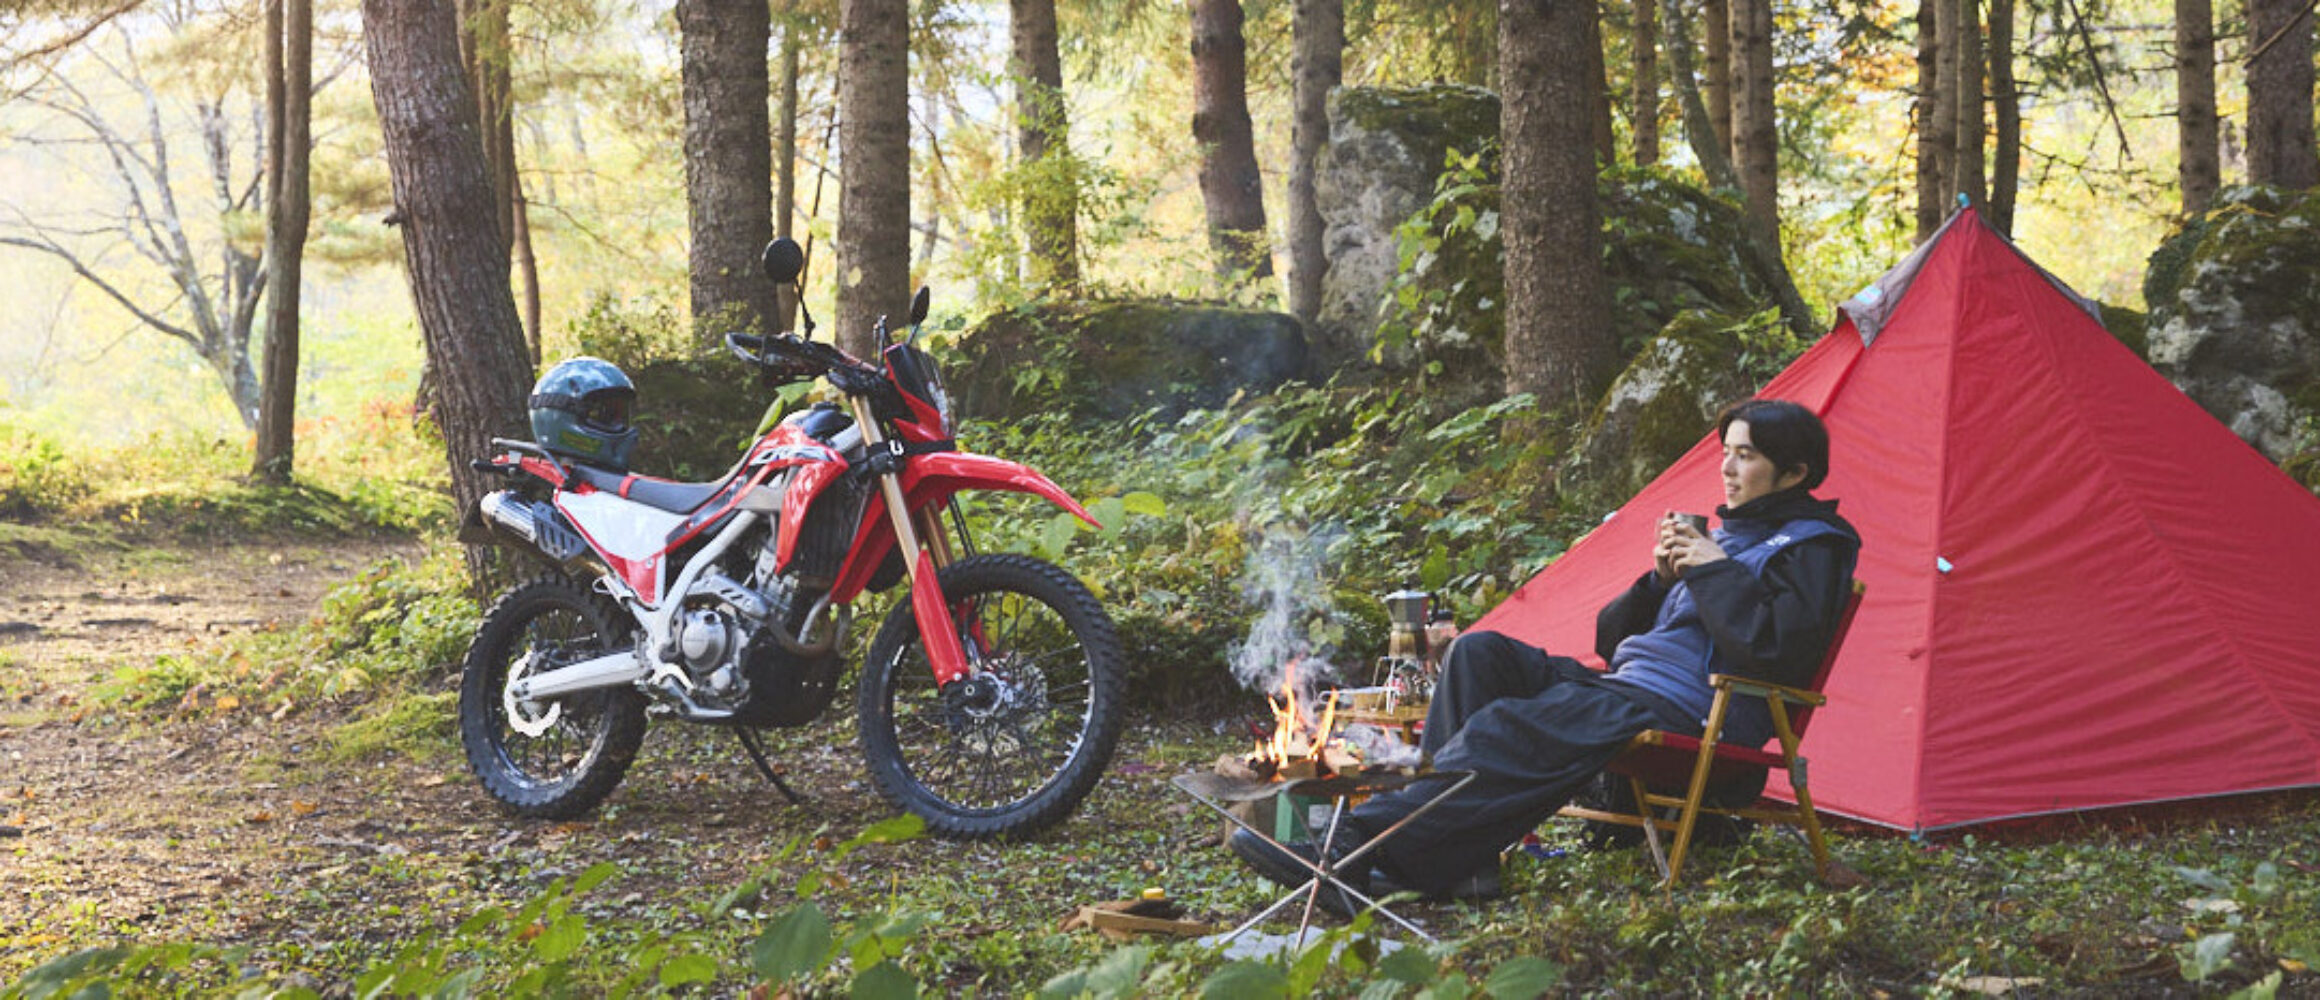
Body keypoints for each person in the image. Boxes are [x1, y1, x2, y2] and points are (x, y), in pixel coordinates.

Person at [1230, 398, 1862, 912]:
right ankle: (1464, 864)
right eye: (1726, 454)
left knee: (1514, 727)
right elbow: (1610, 642)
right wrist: (1660, 581)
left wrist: (1717, 573)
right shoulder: (1725, 538)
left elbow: (1778, 654)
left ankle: (1357, 846)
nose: (1726, 470)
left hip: (1694, 711)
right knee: (1479, 654)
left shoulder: (1815, 545)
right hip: (1632, 687)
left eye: (1746, 457)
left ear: (1794, 473)